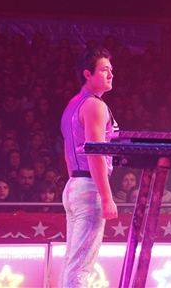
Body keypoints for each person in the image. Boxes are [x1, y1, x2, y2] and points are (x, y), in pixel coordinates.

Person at [60, 47, 119, 287]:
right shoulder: (95, 105)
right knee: (81, 266)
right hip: (89, 186)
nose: (111, 74)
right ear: (88, 74)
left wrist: (76, 185)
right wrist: (105, 196)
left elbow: (68, 154)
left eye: (111, 69)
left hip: (74, 184)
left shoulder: (72, 105)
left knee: (72, 262)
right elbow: (95, 153)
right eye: (104, 70)